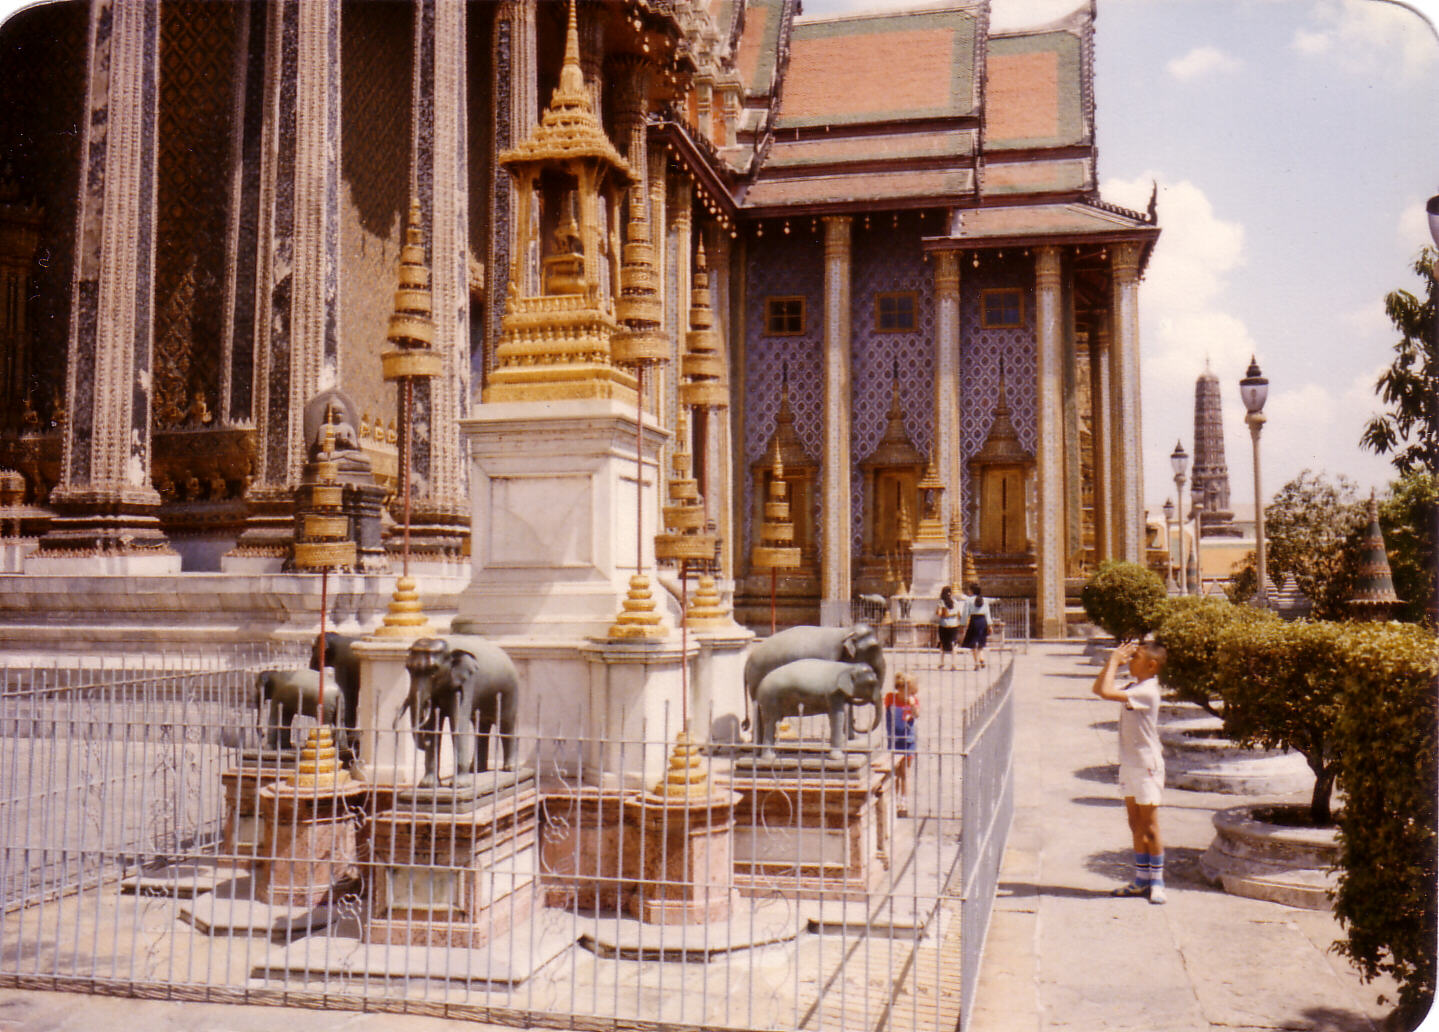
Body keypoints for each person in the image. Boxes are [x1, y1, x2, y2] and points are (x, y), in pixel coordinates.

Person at [1091, 639, 1169, 904]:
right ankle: (1141, 879)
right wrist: (1111, 662)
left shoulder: (1148, 690)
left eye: (1135, 658)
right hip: (1131, 763)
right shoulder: (1135, 686)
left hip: (1147, 765)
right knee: (1135, 824)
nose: (1130, 661)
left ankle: (1157, 881)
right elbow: (1099, 688)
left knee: (1149, 825)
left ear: (1151, 665)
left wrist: (1113, 661)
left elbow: (1104, 691)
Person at [884, 672, 919, 813]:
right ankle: (894, 798)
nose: (906, 693)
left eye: (910, 690)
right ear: (898, 688)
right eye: (903, 689)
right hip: (893, 738)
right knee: (895, 772)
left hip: (907, 739)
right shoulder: (890, 698)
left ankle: (903, 800)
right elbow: (885, 706)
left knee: (904, 772)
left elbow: (917, 715)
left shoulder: (912, 700)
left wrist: (912, 706)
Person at [961, 583, 991, 669]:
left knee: (972, 643)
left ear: (972, 591)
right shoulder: (984, 600)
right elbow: (987, 613)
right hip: (983, 621)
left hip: (974, 621)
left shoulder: (969, 600)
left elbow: (965, 614)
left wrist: (963, 625)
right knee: (981, 641)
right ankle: (981, 658)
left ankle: (976, 662)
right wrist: (989, 625)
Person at [935, 586, 962, 669]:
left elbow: (939, 613)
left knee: (943, 644)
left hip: (944, 625)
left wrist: (944, 614)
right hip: (954, 624)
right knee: (954, 644)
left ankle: (942, 662)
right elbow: (959, 614)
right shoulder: (955, 602)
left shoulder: (941, 602)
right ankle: (953, 664)